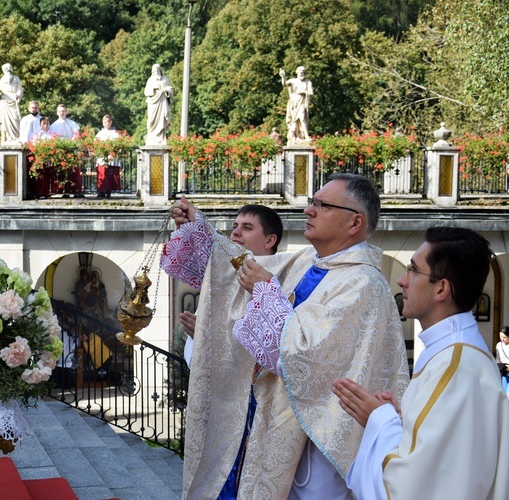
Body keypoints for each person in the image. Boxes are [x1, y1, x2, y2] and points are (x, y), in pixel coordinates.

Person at [165, 173, 410, 499]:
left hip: (314, 447)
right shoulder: (309, 261)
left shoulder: (364, 284)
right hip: (270, 419)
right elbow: (241, 266)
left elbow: (305, 355)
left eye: (322, 205)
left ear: (355, 223)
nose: (309, 210)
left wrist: (266, 290)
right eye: (312, 202)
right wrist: (199, 228)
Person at [333, 227, 509, 500]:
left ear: (441, 288)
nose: (402, 281)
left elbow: (412, 488)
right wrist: (397, 418)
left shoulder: (456, 367)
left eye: (413, 270)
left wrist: (379, 419)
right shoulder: (450, 354)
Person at [164, 202, 283, 369]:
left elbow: (277, 351)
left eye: (247, 228)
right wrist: (200, 339)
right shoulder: (222, 278)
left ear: (270, 240)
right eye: (235, 226)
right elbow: (194, 362)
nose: (235, 232)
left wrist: (210, 337)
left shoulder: (278, 283)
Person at [49, 104, 83, 198]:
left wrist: (70, 144)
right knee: (62, 172)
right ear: (57, 112)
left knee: (73, 171)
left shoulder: (71, 123)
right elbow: (53, 138)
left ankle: (76, 191)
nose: (62, 113)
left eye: (63, 111)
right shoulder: (54, 125)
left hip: (71, 150)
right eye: (60, 111)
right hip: (61, 151)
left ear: (66, 112)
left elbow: (76, 135)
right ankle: (64, 191)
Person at [0, 63, 23, 144]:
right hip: (4, 101)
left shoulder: (16, 78)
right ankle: (7, 138)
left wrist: (17, 95)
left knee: (15, 119)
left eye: (6, 69)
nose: (5, 71)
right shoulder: (2, 79)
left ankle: (15, 137)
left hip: (13, 101)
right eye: (4, 69)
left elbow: (20, 90)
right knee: (5, 121)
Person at [279, 66, 313, 144]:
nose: (301, 73)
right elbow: (285, 84)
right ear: (297, 73)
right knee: (294, 122)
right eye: (300, 72)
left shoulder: (308, 82)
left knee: (302, 118)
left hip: (302, 102)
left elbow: (311, 93)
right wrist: (283, 76)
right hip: (294, 103)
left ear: (304, 73)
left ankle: (306, 136)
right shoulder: (293, 81)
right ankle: (294, 137)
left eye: (303, 72)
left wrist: (304, 92)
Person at [144, 64, 173, 145]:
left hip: (162, 102)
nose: (156, 72)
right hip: (153, 103)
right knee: (151, 120)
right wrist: (153, 88)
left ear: (160, 70)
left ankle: (161, 138)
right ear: (152, 72)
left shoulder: (165, 79)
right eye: (154, 70)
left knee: (162, 119)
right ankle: (151, 137)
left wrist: (166, 90)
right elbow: (146, 91)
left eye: (157, 70)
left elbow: (170, 89)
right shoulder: (150, 80)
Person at [94, 115, 121, 198]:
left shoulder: (115, 134)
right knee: (102, 174)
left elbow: (118, 145)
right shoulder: (100, 133)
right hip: (102, 156)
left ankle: (108, 190)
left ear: (110, 122)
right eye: (104, 122)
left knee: (110, 174)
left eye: (107, 122)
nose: (105, 124)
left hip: (111, 156)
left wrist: (112, 154)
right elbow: (95, 144)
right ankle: (101, 191)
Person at [28, 116, 54, 198]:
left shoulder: (51, 134)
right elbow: (33, 145)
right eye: (44, 123)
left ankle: (46, 192)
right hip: (39, 158)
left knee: (47, 176)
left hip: (48, 158)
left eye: (47, 123)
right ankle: (39, 192)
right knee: (39, 176)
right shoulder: (36, 134)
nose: (46, 125)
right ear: (40, 124)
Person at [497, 326, 509, 396]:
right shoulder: (499, 345)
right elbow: (498, 359)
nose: (502, 339)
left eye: (504, 337)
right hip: (503, 371)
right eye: (501, 337)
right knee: (504, 394)